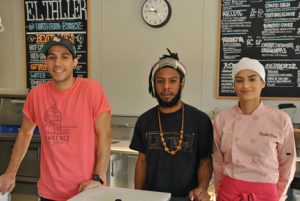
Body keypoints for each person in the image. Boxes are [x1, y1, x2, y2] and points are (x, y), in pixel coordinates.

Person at [0, 36, 112, 201]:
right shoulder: (36, 95)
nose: (57, 63)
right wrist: (10, 172)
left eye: (64, 57)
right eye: (52, 57)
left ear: (74, 62)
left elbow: (105, 135)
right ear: (46, 62)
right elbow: (25, 133)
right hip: (48, 193)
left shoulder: (92, 90)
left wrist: (98, 178)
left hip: (87, 191)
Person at [129, 49, 213, 201]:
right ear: (154, 85)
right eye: (160, 81)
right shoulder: (144, 120)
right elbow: (142, 161)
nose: (166, 87)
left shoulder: (200, 120)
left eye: (173, 81)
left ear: (182, 84)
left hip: (188, 198)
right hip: (151, 198)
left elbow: (205, 161)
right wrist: (138, 194)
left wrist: (202, 188)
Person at [213, 57, 296, 201]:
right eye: (239, 80)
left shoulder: (281, 119)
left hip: (267, 195)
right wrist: (219, 191)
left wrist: (279, 195)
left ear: (262, 82)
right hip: (229, 193)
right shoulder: (221, 119)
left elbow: (287, 164)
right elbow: (218, 163)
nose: (245, 85)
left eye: (252, 79)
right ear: (234, 85)